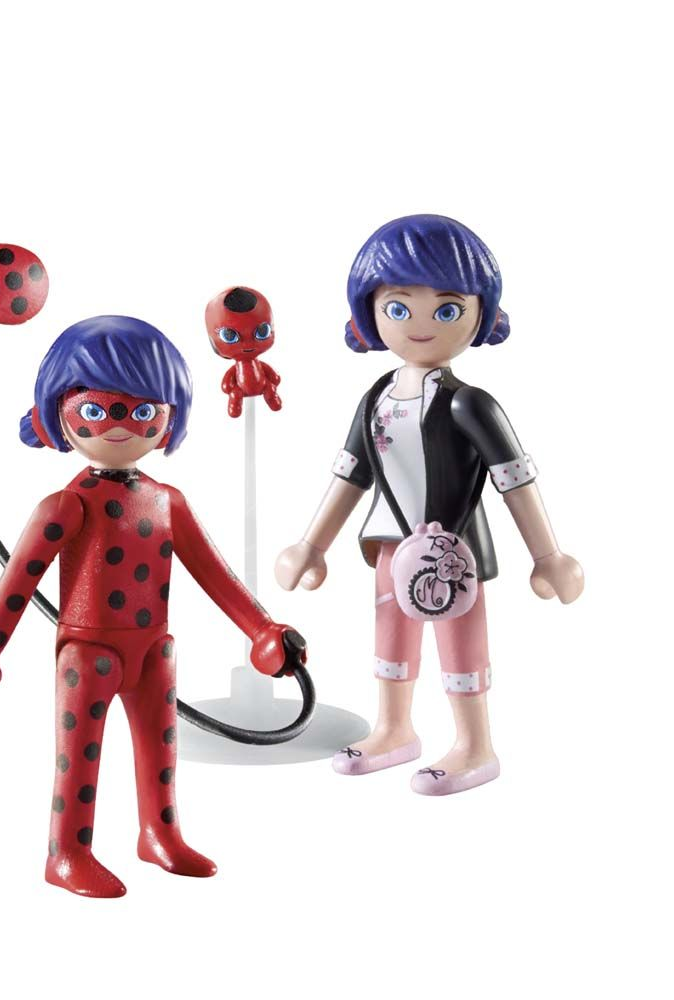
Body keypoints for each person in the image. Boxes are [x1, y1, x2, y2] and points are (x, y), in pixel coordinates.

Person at [0, 315, 307, 897]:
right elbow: (17, 582)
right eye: (96, 409)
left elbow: (215, 575)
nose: (118, 424)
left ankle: (159, 833)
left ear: (168, 416)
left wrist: (262, 629)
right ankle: (67, 852)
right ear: (57, 412)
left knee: (160, 750)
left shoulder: (167, 502)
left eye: (141, 411)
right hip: (88, 652)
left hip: (153, 649)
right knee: (78, 758)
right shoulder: (65, 505)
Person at [275, 215, 582, 796]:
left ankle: (475, 744)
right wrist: (311, 545)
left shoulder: (471, 404)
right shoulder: (376, 398)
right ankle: (394, 729)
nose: (419, 325)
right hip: (390, 545)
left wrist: (549, 556)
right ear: (369, 313)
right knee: (390, 634)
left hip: (452, 550)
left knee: (460, 640)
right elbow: (351, 473)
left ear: (481, 315)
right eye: (398, 307)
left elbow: (515, 480)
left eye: (446, 310)